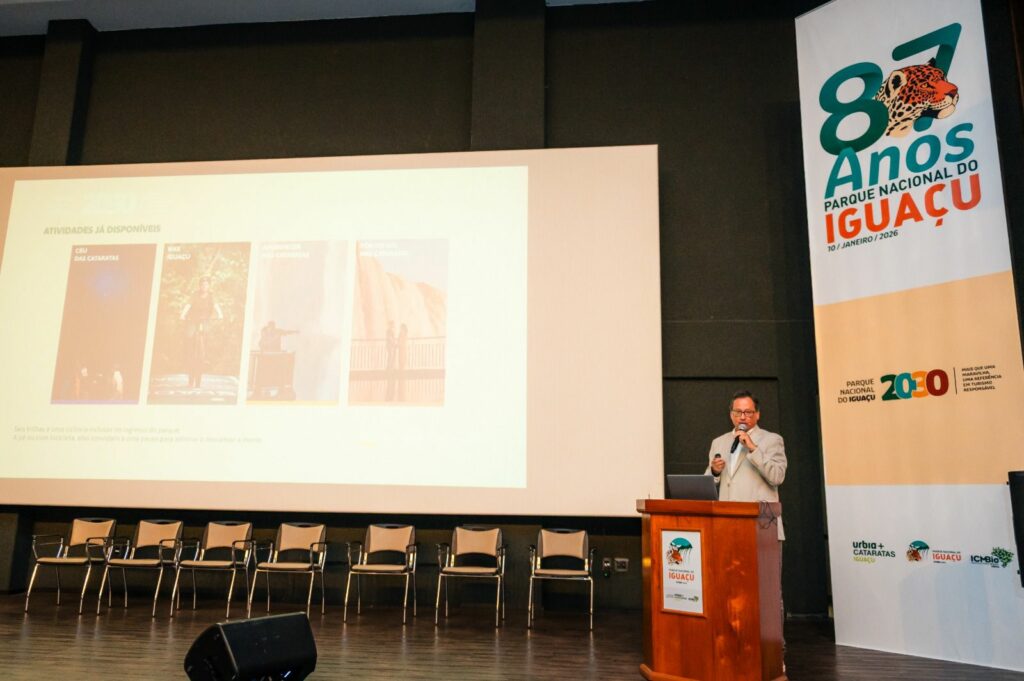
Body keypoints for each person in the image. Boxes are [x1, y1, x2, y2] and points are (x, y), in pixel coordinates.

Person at [705, 390, 786, 539]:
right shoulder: (718, 442)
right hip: (726, 524)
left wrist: (753, 448)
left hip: (761, 524)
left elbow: (777, 477)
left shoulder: (772, 440)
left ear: (757, 414)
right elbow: (705, 486)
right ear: (731, 415)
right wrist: (714, 472)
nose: (742, 417)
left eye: (748, 412)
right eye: (737, 412)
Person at [180, 276, 223, 389]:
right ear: (199, 286)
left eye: (206, 285)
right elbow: (188, 305)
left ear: (209, 286)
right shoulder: (195, 295)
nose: (204, 286)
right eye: (202, 284)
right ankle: (187, 354)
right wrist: (183, 314)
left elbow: (216, 305)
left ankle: (206, 355)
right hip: (193, 320)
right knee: (188, 335)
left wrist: (220, 314)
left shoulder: (211, 296)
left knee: (207, 336)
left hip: (205, 321)